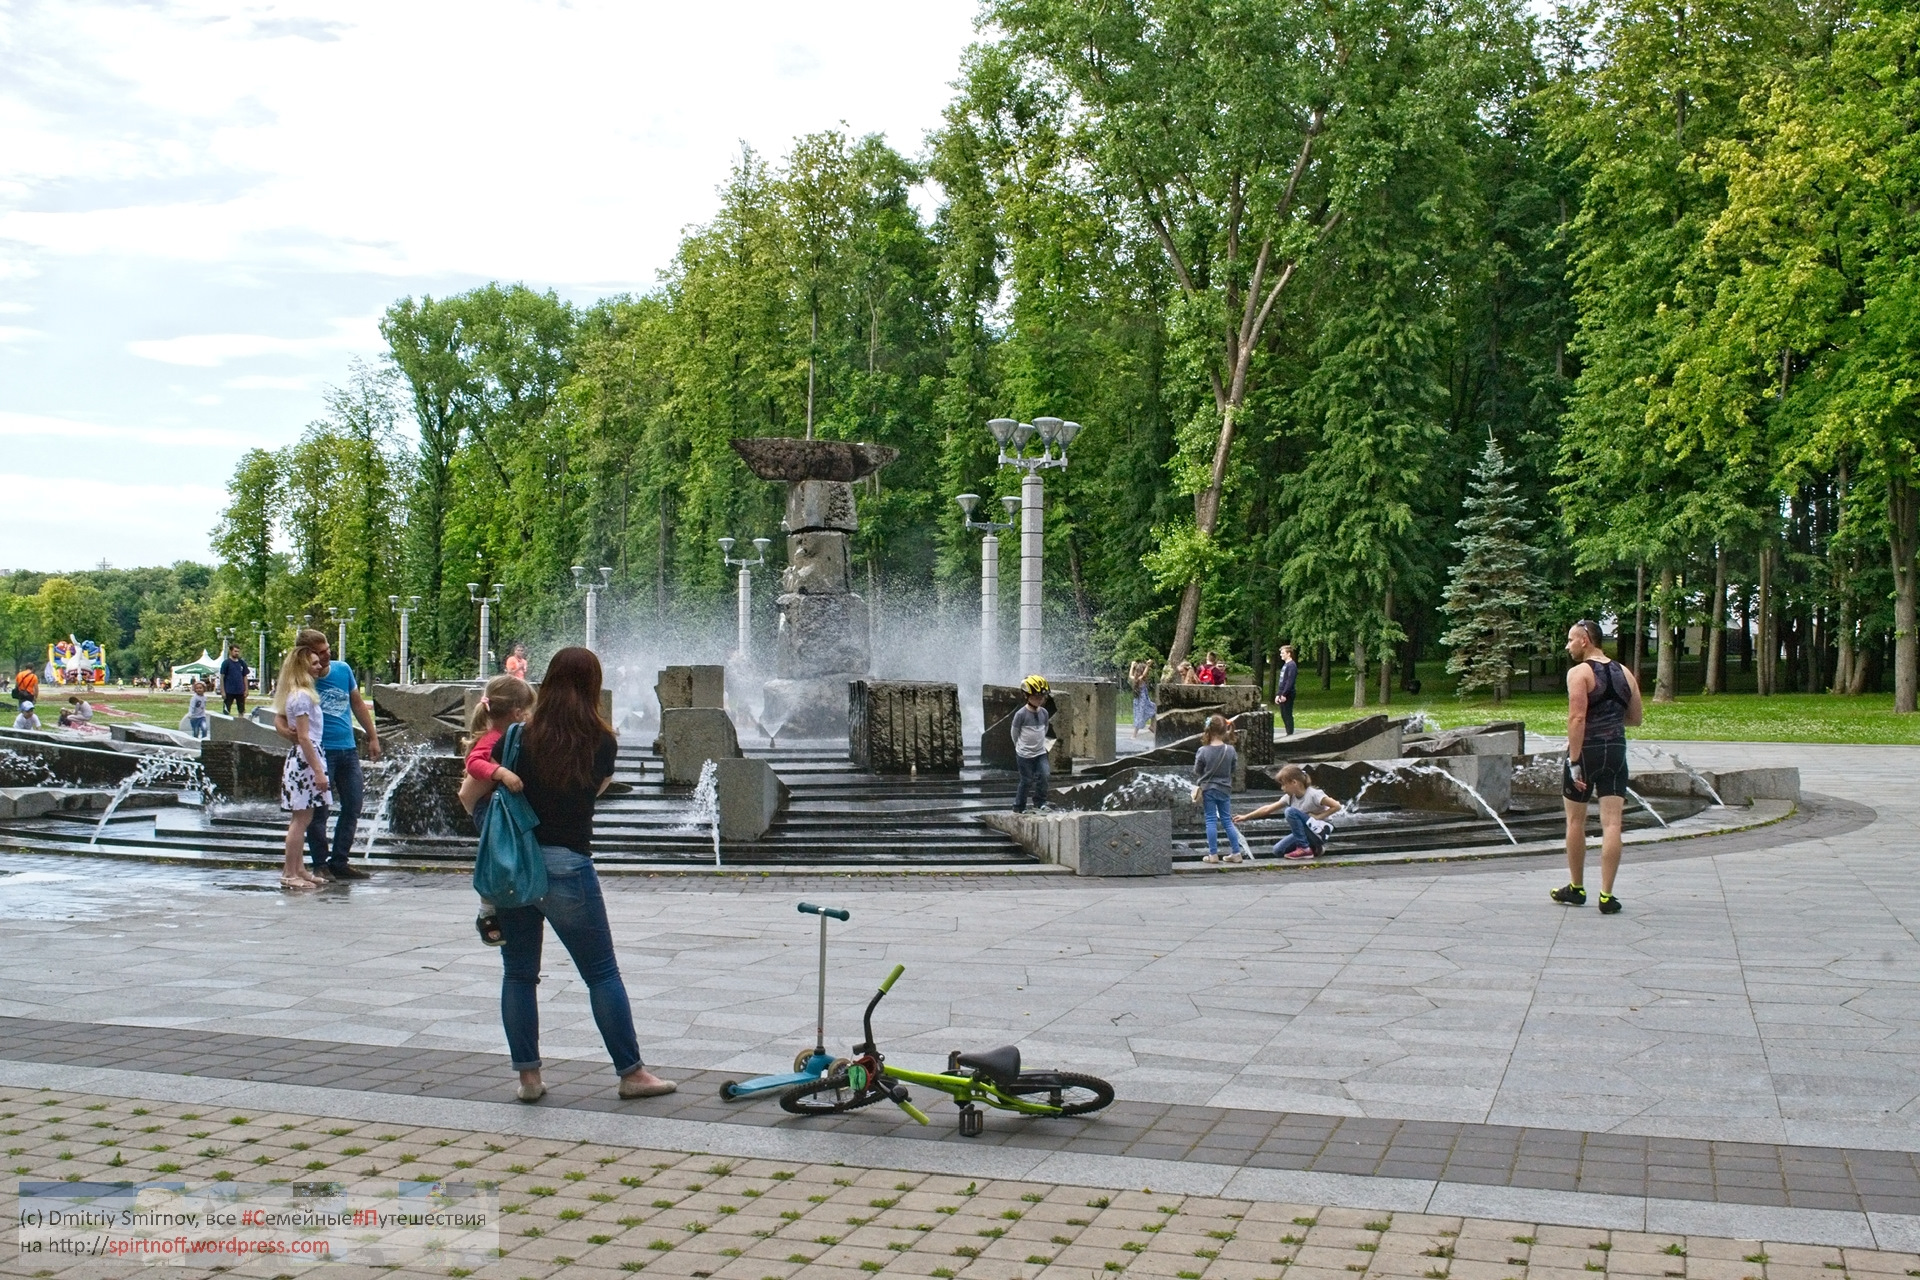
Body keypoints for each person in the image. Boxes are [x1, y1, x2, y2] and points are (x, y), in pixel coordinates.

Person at [493, 645, 675, 1103]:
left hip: (517, 865)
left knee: (518, 974)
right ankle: (631, 1074)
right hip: (568, 864)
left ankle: (529, 1080)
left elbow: (473, 794)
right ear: (592, 686)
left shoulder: (517, 737)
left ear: (548, 682)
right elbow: (591, 795)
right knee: (600, 972)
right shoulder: (602, 740)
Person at [276, 628, 382, 882]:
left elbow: (357, 704)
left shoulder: (343, 670)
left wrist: (372, 735)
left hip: (347, 748)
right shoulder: (302, 681)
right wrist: (290, 734)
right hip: (320, 753)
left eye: (327, 650)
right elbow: (279, 718)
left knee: (353, 804)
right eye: (320, 653)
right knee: (317, 812)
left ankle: (340, 860)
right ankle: (319, 863)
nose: (327, 655)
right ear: (307, 654)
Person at [1555, 620, 1643, 914]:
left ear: (1584, 640)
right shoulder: (1625, 673)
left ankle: (1576, 887)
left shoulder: (1579, 673)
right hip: (1616, 750)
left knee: (1576, 821)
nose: (1567, 646)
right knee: (1613, 823)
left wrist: (1575, 761)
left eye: (1570, 640)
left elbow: (1577, 718)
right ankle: (1607, 895)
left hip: (1588, 750)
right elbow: (1635, 718)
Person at [457, 674, 536, 948]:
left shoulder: (510, 735)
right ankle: (487, 911)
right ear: (517, 712)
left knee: (504, 856)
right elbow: (474, 765)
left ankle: (500, 903)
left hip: (496, 807)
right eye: (528, 711)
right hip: (488, 808)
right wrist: (501, 772)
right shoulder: (493, 739)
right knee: (497, 857)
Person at [273, 638, 331, 890]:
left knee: (304, 818)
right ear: (302, 667)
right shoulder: (302, 697)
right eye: (314, 663)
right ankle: (289, 872)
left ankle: (299, 868)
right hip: (307, 759)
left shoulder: (299, 695)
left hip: (305, 757)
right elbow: (304, 737)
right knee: (301, 819)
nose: (319, 667)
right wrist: (319, 770)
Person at [1238, 764, 1344, 860]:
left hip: (1320, 831)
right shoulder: (1290, 797)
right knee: (1278, 850)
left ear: (1294, 782)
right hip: (1307, 831)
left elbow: (1337, 806)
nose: (1282, 788)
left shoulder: (1314, 795)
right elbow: (1268, 809)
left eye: (1284, 784)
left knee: (1291, 811)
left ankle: (1304, 848)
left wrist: (1318, 817)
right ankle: (1315, 848)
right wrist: (1246, 817)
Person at [1194, 715, 1247, 863]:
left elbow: (1197, 770)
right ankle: (1236, 853)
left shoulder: (1203, 750)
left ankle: (1213, 855)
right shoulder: (1230, 750)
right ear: (1225, 730)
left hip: (1208, 789)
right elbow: (1233, 769)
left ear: (1208, 730)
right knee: (1227, 821)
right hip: (1225, 789)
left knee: (1210, 820)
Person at [1010, 675, 1053, 813]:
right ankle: (1019, 806)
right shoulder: (1021, 714)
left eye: (1042, 697)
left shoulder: (1044, 713)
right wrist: (1019, 746)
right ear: (1026, 696)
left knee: (1045, 776)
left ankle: (1040, 802)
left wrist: (1043, 745)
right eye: (1035, 696)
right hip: (1024, 754)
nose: (1039, 699)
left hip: (1040, 752)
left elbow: (1045, 729)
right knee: (1026, 781)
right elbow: (1014, 733)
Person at [1273, 644, 1298, 737]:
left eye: (1283, 653)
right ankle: (1288, 732)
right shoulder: (1285, 665)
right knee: (1283, 714)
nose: (1281, 655)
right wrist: (1278, 694)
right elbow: (1282, 682)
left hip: (1288, 694)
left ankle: (1290, 733)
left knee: (1287, 714)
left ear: (1289, 654)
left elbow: (1289, 681)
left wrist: (1284, 694)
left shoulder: (1292, 665)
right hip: (1282, 693)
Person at [219, 644, 251, 716]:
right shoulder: (226, 663)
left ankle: (240, 725)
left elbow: (245, 676)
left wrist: (246, 689)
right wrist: (223, 691)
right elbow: (222, 677)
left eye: (238, 651)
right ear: (230, 651)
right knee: (226, 710)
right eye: (235, 651)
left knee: (241, 710)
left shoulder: (241, 663)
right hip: (229, 691)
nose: (237, 653)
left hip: (240, 691)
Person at [1128, 660, 1156, 739]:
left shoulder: (1134, 678)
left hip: (1139, 701)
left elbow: (1130, 675)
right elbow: (1144, 674)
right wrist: (1148, 666)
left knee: (1154, 709)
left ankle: (1152, 726)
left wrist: (1132, 666)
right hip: (1142, 701)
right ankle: (1134, 735)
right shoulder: (1140, 679)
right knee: (1140, 716)